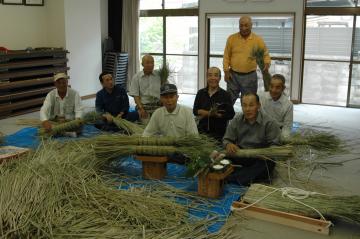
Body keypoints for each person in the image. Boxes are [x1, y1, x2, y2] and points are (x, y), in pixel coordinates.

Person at [223, 92, 280, 186]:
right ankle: (246, 177)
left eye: (251, 105)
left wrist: (267, 152)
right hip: (241, 154)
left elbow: (275, 145)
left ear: (258, 106)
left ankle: (234, 178)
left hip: (260, 158)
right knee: (224, 158)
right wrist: (229, 144)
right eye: (244, 105)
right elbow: (226, 139)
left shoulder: (269, 123)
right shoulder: (237, 120)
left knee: (269, 164)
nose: (247, 109)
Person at [223, 16, 271, 104]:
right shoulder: (231, 38)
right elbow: (226, 56)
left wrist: (267, 63)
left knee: (249, 102)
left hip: (250, 76)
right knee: (228, 101)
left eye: (246, 25)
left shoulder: (257, 39)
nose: (243, 28)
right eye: (241, 25)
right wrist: (226, 71)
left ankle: (247, 118)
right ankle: (227, 117)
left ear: (251, 25)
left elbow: (265, 54)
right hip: (233, 75)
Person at [193, 67, 235, 141]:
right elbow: (195, 111)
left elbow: (231, 114)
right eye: (210, 75)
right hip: (202, 133)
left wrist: (218, 115)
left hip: (219, 134)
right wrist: (208, 113)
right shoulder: (200, 93)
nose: (213, 78)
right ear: (207, 77)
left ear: (219, 78)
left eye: (216, 75)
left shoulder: (226, 95)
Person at [129, 54, 163, 123]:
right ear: (142, 64)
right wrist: (141, 109)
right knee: (146, 126)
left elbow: (166, 90)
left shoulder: (159, 75)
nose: (150, 65)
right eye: (147, 62)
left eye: (152, 62)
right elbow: (136, 96)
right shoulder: (137, 77)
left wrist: (162, 100)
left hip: (158, 106)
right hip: (144, 107)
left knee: (161, 125)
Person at [259, 74, 293, 139]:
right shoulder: (261, 98)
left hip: (278, 132)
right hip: (261, 130)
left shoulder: (288, 105)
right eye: (271, 86)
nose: (273, 90)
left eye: (277, 87)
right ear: (269, 86)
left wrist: (284, 139)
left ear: (283, 88)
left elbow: (287, 126)